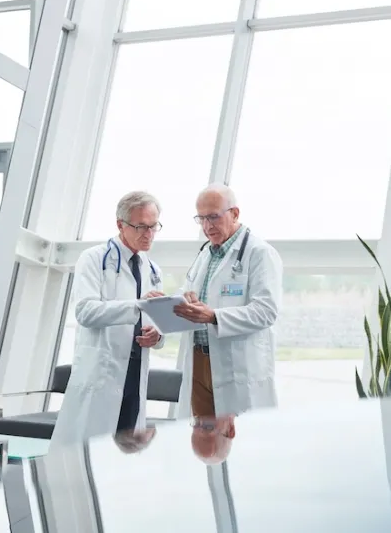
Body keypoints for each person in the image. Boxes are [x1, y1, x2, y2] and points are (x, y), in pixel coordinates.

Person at [50, 191, 166, 447]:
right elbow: (86, 312)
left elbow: (152, 320)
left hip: (136, 371)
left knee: (128, 451)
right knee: (88, 452)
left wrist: (157, 336)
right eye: (141, 226)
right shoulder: (94, 259)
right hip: (102, 371)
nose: (149, 234)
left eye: (153, 226)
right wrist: (137, 305)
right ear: (120, 225)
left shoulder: (153, 269)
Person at [173, 183, 283, 418]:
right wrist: (170, 303)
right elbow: (190, 293)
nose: (207, 226)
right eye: (201, 219)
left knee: (239, 444)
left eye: (213, 217)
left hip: (236, 364)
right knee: (201, 443)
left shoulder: (259, 253)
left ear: (235, 213)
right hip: (198, 360)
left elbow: (266, 311)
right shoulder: (206, 253)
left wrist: (214, 316)